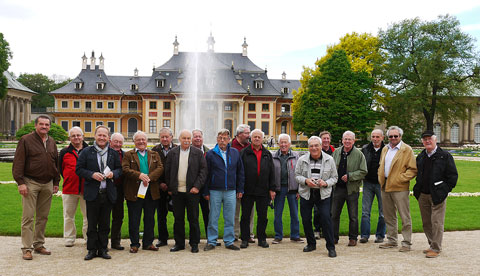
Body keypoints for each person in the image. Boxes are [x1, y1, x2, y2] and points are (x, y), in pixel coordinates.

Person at [13, 115, 60, 260]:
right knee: (28, 217)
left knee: (43, 216)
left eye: (47, 125)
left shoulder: (52, 141)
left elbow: (55, 163)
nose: (44, 127)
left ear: (49, 127)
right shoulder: (26, 140)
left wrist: (56, 181)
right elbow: (18, 162)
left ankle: (39, 244)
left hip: (47, 183)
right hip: (30, 182)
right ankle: (27, 248)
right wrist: (20, 182)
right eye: (41, 124)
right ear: (35, 125)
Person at [76, 125, 122, 260]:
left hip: (107, 193)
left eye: (105, 135)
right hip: (92, 193)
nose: (102, 138)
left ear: (108, 137)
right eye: (99, 135)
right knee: (91, 224)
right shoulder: (86, 152)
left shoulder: (113, 153)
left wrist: (113, 173)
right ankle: (91, 249)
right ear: (95, 136)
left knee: (105, 224)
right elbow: (78, 169)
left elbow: (120, 170)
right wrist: (91, 175)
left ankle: (103, 249)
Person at [413, 131, 458, 258]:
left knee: (437, 222)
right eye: (425, 139)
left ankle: (436, 248)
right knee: (426, 222)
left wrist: (445, 190)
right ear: (422, 141)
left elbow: (453, 176)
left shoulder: (444, 155)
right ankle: (432, 244)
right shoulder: (421, 156)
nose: (427, 141)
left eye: (429, 139)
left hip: (437, 194)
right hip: (423, 194)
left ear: (435, 139)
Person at [165, 130, 207, 253]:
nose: (187, 140)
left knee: (193, 218)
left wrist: (197, 187)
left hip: (192, 192)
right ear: (179, 139)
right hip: (177, 192)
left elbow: (203, 172)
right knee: (178, 219)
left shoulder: (197, 153)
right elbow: (167, 172)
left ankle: (194, 243)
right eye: (184, 138)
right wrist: (170, 187)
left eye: (189, 138)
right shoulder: (172, 153)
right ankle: (179, 243)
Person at [296, 136, 337, 258]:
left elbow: (335, 177)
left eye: (316, 145)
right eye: (311, 146)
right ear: (308, 147)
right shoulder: (302, 159)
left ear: (320, 146)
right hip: (306, 193)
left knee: (326, 219)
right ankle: (311, 243)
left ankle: (331, 247)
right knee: (306, 219)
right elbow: (297, 175)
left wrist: (326, 183)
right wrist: (306, 180)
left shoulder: (329, 159)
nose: (314, 148)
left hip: (323, 194)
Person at [122, 131, 164, 253]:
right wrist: (139, 175)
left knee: (150, 218)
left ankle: (148, 243)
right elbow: (125, 169)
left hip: (151, 191)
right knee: (134, 219)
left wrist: (148, 178)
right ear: (134, 141)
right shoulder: (129, 155)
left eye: (143, 140)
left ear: (146, 141)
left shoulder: (154, 154)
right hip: (134, 191)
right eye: (138, 140)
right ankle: (134, 244)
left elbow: (160, 168)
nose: (141, 142)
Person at [203, 129, 244, 251]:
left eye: (225, 138)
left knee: (230, 217)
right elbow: (206, 174)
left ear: (229, 139)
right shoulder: (211, 154)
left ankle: (229, 241)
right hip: (215, 190)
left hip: (231, 190)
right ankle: (211, 241)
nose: (222, 140)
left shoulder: (235, 153)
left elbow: (240, 172)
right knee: (213, 217)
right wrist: (206, 191)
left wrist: (240, 189)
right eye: (220, 138)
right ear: (217, 139)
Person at [378, 126, 417, 252]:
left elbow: (413, 169)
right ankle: (392, 240)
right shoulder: (385, 148)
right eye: (391, 136)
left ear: (400, 136)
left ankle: (406, 242)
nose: (393, 138)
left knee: (404, 216)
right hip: (385, 186)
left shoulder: (407, 149)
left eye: (396, 136)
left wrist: (400, 178)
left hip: (400, 187)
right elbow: (381, 165)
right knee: (389, 215)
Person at [239, 129, 275, 249]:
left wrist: (272, 189)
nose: (257, 139)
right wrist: (240, 188)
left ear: (262, 139)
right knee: (245, 216)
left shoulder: (267, 154)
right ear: (251, 138)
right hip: (247, 190)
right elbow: (240, 172)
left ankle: (262, 239)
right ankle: (244, 239)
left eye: (259, 137)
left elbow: (272, 172)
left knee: (263, 216)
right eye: (255, 137)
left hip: (263, 190)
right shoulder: (244, 152)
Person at [331, 131, 367, 246]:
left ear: (353, 141)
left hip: (352, 189)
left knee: (353, 216)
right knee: (334, 214)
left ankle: (353, 238)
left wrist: (350, 176)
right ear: (342, 140)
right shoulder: (336, 152)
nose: (347, 141)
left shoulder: (359, 154)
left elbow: (363, 171)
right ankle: (334, 237)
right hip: (338, 188)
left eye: (349, 139)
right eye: (345, 139)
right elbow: (330, 168)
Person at [59, 126, 89, 247]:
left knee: (88, 216)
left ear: (83, 136)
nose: (76, 138)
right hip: (69, 188)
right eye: (73, 136)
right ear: (69, 137)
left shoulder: (89, 150)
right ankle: (69, 238)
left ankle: (88, 238)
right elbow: (60, 168)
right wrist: (69, 178)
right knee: (68, 215)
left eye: (78, 135)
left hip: (86, 188)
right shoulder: (64, 152)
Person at [272, 134, 303, 244]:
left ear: (289, 144)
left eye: (286, 142)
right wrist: (272, 189)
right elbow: (271, 174)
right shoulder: (274, 156)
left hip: (293, 188)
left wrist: (300, 190)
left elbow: (300, 173)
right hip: (279, 189)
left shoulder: (296, 156)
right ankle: (278, 236)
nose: (283, 144)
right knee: (277, 214)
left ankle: (295, 235)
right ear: (278, 144)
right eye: (281, 142)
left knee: (294, 213)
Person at [151, 127, 177, 247]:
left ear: (171, 137)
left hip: (174, 188)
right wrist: (160, 183)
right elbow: (152, 169)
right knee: (161, 215)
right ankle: (162, 238)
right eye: (162, 137)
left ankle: (178, 238)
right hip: (159, 187)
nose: (165, 139)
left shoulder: (178, 149)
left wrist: (171, 186)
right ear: (159, 138)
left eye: (167, 136)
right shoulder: (154, 150)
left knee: (178, 214)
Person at [360, 129, 386, 244]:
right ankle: (364, 235)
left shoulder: (387, 149)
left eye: (377, 137)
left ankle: (380, 235)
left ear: (382, 138)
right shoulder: (365, 149)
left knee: (383, 212)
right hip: (368, 183)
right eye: (373, 137)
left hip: (381, 184)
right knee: (365, 211)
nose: (375, 139)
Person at [231, 124, 254, 242]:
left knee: (249, 212)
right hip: (234, 185)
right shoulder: (230, 146)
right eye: (246, 133)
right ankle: (235, 235)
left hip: (249, 186)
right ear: (239, 134)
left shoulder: (250, 146)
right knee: (235, 212)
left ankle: (249, 234)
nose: (248, 136)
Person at [314, 130, 335, 239]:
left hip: (329, 185)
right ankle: (317, 229)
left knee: (329, 210)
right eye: (324, 138)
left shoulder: (334, 152)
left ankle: (326, 230)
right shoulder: (316, 151)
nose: (326, 140)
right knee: (317, 210)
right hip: (317, 185)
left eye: (327, 138)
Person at [191, 129, 211, 240]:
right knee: (193, 216)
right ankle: (195, 239)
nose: (198, 138)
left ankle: (210, 238)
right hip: (193, 188)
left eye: (199, 136)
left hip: (206, 188)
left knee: (208, 214)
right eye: (195, 136)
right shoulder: (187, 151)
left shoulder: (209, 151)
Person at [109, 132, 125, 250]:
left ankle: (116, 241)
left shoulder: (125, 155)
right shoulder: (106, 153)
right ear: (110, 141)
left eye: (120, 142)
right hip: (106, 188)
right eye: (116, 141)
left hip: (119, 189)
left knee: (118, 216)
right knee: (103, 216)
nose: (118, 144)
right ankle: (102, 241)